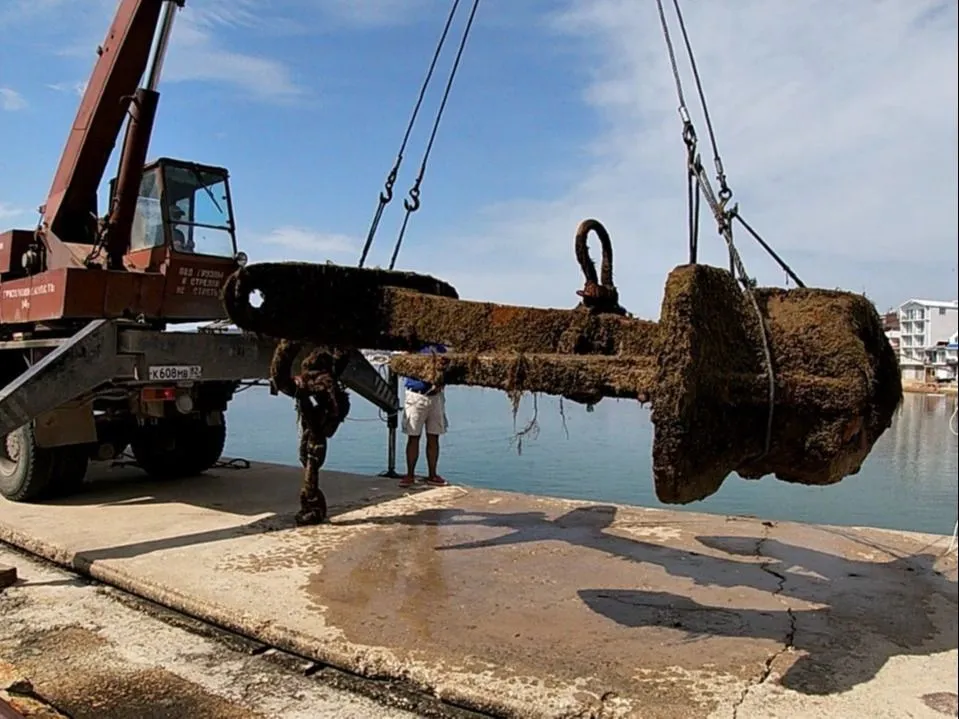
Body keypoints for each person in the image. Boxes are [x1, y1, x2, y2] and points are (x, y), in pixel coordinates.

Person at [400, 343, 450, 488]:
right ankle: (409, 475)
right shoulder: (412, 347)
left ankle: (432, 475)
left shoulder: (441, 349)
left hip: (436, 396)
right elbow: (402, 363)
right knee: (413, 436)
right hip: (416, 396)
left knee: (434, 436)